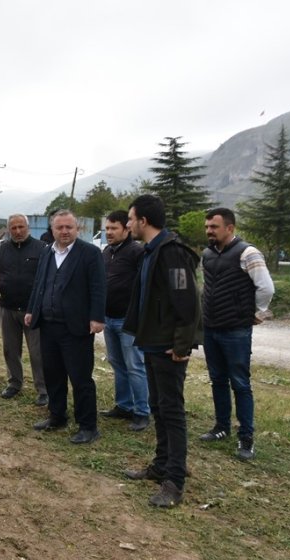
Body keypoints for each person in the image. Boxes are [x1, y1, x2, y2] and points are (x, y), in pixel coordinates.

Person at [122, 194, 201, 508]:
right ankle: (161, 466)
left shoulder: (172, 254)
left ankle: (174, 482)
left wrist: (182, 345)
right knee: (158, 405)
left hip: (170, 348)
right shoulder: (149, 252)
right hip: (152, 343)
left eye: (130, 219)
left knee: (172, 412)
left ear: (143, 221)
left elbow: (187, 302)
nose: (128, 224)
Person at [199, 207, 274, 460]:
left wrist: (259, 313)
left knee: (240, 384)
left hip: (235, 330)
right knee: (217, 380)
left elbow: (266, 287)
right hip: (211, 328)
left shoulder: (248, 252)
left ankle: (246, 438)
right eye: (207, 226)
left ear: (230, 228)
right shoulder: (207, 253)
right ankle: (221, 428)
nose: (209, 231)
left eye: (214, 227)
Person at [24, 209, 106, 444]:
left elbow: (99, 287)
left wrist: (97, 317)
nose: (64, 231)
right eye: (59, 227)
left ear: (77, 228)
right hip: (49, 326)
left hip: (76, 327)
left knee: (80, 378)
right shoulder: (47, 252)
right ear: (52, 230)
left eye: (69, 227)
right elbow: (39, 284)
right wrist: (32, 309)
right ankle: (57, 416)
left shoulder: (89, 253)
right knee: (53, 375)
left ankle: (88, 426)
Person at [0, 214, 49, 406]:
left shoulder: (42, 249)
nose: (18, 231)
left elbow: (49, 279)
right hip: (7, 308)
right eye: (13, 228)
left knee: (37, 352)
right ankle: (14, 383)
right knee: (10, 349)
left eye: (21, 227)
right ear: (8, 230)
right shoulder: (2, 250)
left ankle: (43, 389)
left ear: (28, 227)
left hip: (34, 310)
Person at [99, 210, 150, 432]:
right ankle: (124, 405)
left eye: (114, 228)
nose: (109, 233)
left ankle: (141, 412)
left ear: (126, 229)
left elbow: (145, 286)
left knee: (135, 366)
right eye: (107, 228)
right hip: (108, 319)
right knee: (117, 364)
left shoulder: (137, 252)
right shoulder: (106, 252)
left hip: (128, 322)